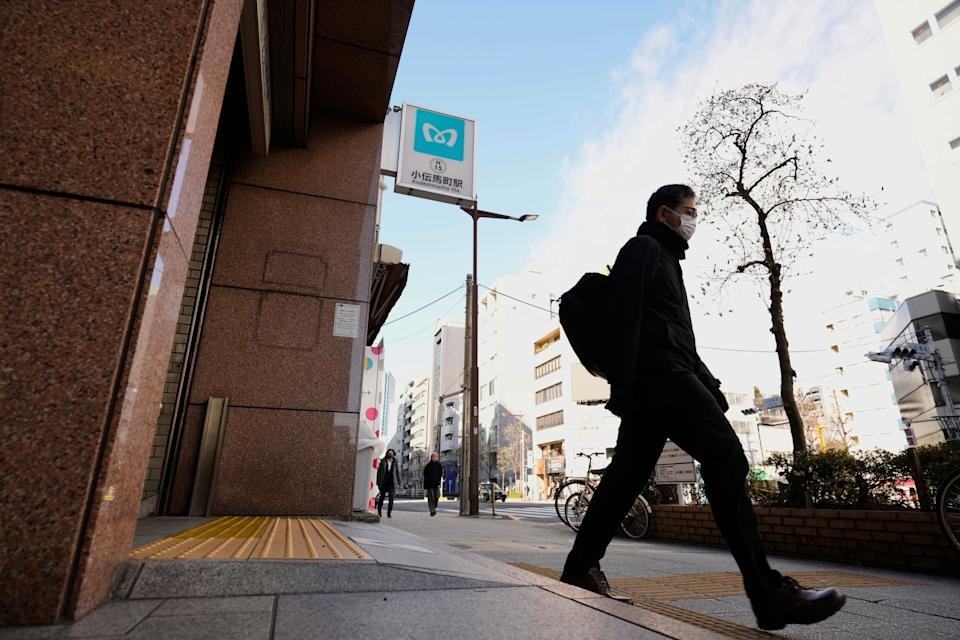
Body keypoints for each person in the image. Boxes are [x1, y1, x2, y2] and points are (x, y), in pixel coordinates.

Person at [560, 184, 846, 631]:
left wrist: (709, 387)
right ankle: (767, 593)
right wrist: (626, 386)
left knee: (625, 478)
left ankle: (580, 566)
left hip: (662, 378)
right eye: (689, 211)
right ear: (664, 213)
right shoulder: (643, 248)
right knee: (727, 458)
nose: (695, 220)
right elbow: (625, 316)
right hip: (659, 377)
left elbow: (678, 335)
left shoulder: (667, 259)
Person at [376, 449, 401, 518]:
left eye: (392, 453)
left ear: (394, 454)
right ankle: (379, 511)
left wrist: (399, 482)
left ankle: (389, 513)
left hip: (392, 482)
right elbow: (379, 472)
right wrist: (378, 482)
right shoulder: (383, 461)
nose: (390, 454)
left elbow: (397, 472)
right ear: (387, 454)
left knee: (391, 498)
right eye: (389, 453)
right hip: (384, 481)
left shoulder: (395, 462)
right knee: (382, 497)